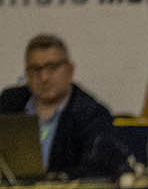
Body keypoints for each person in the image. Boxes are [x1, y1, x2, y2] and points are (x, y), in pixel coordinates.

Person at [0, 35, 121, 179]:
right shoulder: (9, 104)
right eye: (36, 69)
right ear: (27, 73)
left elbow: (96, 169)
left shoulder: (91, 114)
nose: (44, 77)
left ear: (70, 70)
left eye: (52, 67)